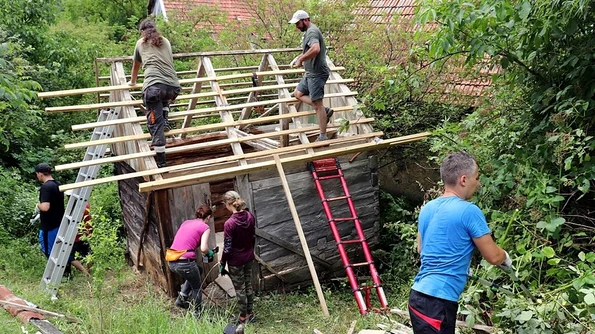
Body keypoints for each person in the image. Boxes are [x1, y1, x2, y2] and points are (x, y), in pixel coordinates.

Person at [409, 152, 512, 334]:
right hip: (437, 301)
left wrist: (458, 266)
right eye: (476, 178)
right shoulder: (468, 211)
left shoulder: (428, 208)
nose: (478, 183)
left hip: (419, 296)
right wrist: (505, 257)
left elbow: (421, 249)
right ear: (463, 179)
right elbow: (493, 257)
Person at [129, 19, 181, 168]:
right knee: (163, 95)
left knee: (154, 124)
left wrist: (132, 82)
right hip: (173, 88)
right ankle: (165, 118)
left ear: (142, 32)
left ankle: (162, 162)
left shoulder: (140, 43)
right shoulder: (166, 41)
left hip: (153, 87)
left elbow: (136, 66)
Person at [288, 10, 334, 142]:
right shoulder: (309, 32)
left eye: (298, 23)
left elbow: (316, 49)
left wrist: (301, 59)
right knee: (298, 93)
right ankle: (324, 110)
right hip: (310, 73)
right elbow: (310, 50)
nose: (297, 27)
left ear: (305, 20)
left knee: (316, 104)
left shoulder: (312, 31)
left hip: (317, 73)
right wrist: (300, 57)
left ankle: (323, 136)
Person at [168, 204, 214, 315]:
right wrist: (210, 252)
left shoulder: (186, 222)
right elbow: (203, 248)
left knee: (197, 271)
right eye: (209, 218)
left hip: (172, 261)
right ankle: (198, 314)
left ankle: (182, 299)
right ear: (208, 217)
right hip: (185, 263)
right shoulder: (205, 227)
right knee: (196, 288)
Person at [220, 191, 256, 324]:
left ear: (229, 204)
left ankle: (243, 316)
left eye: (225, 204)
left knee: (240, 289)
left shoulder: (229, 223)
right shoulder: (250, 216)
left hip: (236, 261)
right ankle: (251, 313)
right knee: (248, 285)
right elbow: (253, 237)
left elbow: (228, 247)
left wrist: (222, 262)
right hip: (249, 257)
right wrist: (250, 250)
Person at [34, 163, 71, 277]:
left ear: (40, 174)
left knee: (48, 250)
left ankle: (58, 274)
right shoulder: (57, 184)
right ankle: (67, 273)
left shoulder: (45, 187)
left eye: (37, 174)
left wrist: (37, 206)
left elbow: (45, 207)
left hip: (49, 226)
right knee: (60, 249)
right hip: (59, 222)